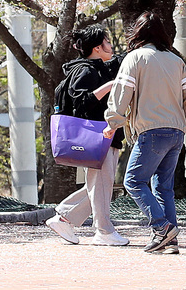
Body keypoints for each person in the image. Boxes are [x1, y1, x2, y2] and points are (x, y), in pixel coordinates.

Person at [104, 11, 186, 254]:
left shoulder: (135, 58)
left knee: (133, 181)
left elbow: (121, 94)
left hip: (151, 130)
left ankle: (162, 228)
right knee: (163, 187)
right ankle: (169, 242)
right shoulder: (175, 61)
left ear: (138, 32)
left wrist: (112, 123)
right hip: (176, 132)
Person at [46, 25, 129, 246]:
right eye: (107, 42)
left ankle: (64, 217)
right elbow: (81, 103)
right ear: (97, 48)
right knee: (101, 185)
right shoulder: (85, 71)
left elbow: (119, 62)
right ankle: (104, 230)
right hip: (96, 136)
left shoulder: (98, 68)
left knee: (100, 185)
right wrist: (111, 86)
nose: (111, 46)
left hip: (104, 136)